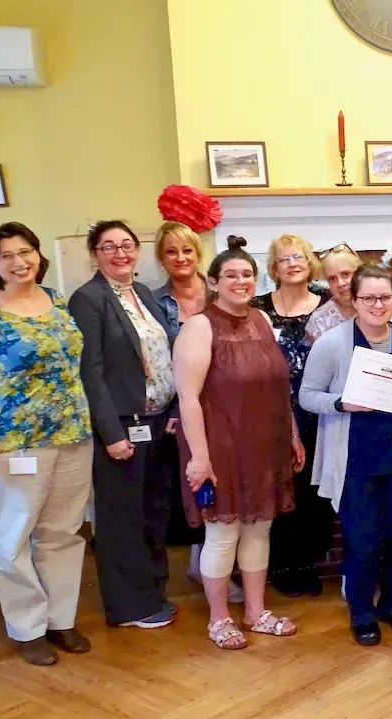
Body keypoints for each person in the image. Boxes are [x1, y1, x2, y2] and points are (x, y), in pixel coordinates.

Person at [0, 222, 94, 666]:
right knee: (13, 538)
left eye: (26, 251)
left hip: (73, 435)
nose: (19, 262)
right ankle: (27, 627)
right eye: (6, 256)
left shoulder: (56, 301)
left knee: (62, 533)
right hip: (14, 446)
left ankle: (60, 619)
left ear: (38, 253)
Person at [174, 247, 306, 649]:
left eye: (247, 274)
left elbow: (278, 387)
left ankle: (255, 612)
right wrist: (199, 457)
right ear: (213, 282)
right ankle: (218, 619)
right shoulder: (199, 326)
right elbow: (188, 398)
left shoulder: (263, 319)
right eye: (230, 275)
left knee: (258, 530)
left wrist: (293, 433)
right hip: (220, 445)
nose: (241, 281)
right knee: (223, 533)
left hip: (265, 442)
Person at [299, 265, 392, 646]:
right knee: (363, 540)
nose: (378, 305)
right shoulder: (332, 343)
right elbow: (307, 396)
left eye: (385, 297)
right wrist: (343, 403)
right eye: (369, 298)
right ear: (353, 301)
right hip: (354, 460)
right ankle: (361, 611)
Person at [68, 220, 177, 630]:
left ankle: (152, 593)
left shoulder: (143, 292)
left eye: (127, 245)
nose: (120, 253)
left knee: (152, 513)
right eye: (109, 246)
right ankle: (128, 606)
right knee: (121, 520)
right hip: (121, 427)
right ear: (94, 254)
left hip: (156, 421)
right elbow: (90, 373)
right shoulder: (88, 299)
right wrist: (111, 433)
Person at [152, 222, 249, 604]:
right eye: (171, 252)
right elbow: (160, 362)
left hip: (226, 414)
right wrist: (175, 409)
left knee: (228, 498)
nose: (180, 258)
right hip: (180, 410)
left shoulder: (222, 295)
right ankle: (204, 574)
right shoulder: (152, 300)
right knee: (196, 494)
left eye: (187, 250)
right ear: (161, 259)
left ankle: (213, 568)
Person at [250, 234, 331, 598]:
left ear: (310, 263)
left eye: (299, 256)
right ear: (274, 268)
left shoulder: (328, 305)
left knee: (316, 492)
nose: (293, 263)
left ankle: (309, 562)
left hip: (323, 413)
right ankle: (282, 564)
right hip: (274, 414)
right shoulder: (257, 308)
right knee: (280, 488)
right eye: (285, 259)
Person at [305, 244, 392, 342]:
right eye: (332, 279)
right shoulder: (320, 320)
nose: (340, 283)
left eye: (346, 274)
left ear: (360, 273)